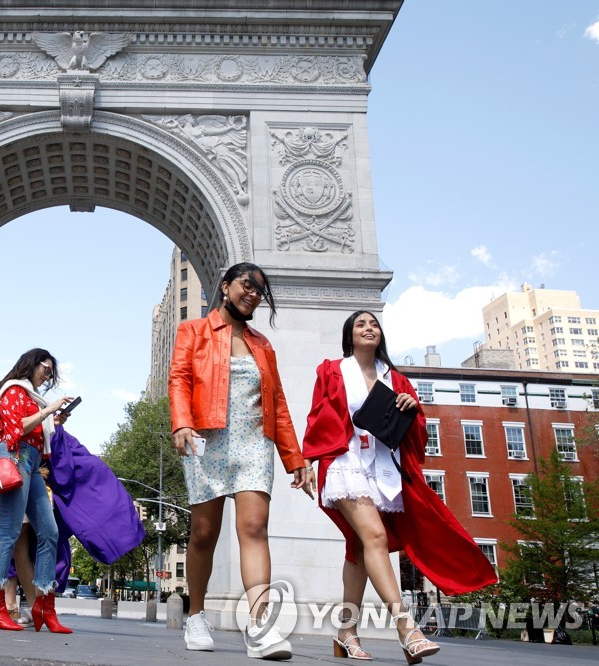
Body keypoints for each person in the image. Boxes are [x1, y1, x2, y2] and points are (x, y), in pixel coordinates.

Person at [303, 311, 497, 663]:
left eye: (374, 324)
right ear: (350, 335)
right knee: (375, 537)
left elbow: (415, 432)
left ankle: (346, 631)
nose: (368, 328)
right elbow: (318, 416)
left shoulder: (395, 380)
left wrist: (413, 406)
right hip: (345, 465)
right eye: (361, 324)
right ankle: (406, 627)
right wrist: (307, 459)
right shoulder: (332, 370)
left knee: (359, 549)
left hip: (382, 470)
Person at [169, 262, 315, 659]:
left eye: (259, 291)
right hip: (206, 438)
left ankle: (260, 626)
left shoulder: (262, 345)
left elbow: (278, 404)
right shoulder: (192, 331)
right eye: (247, 285)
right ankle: (195, 615)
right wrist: (181, 423)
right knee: (203, 532)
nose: (252, 294)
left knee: (254, 527)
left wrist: (294, 458)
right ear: (226, 286)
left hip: (254, 442)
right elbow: (179, 378)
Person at [0, 348, 74, 632]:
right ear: (32, 364)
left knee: (50, 532)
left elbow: (33, 431)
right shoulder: (13, 390)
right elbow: (14, 430)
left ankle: (44, 605)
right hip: (16, 457)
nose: (48, 375)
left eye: (51, 372)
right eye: (47, 368)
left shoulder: (30, 396)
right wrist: (49, 410)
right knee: (9, 530)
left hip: (31, 462)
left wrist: (52, 422)